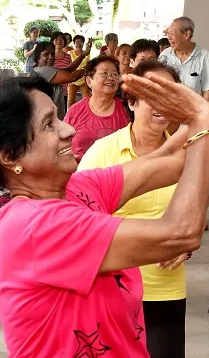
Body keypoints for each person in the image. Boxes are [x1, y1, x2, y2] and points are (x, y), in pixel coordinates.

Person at [0, 6, 209, 357]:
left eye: (58, 119)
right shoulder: (32, 225)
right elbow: (181, 231)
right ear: (10, 157)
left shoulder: (77, 188)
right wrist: (198, 118)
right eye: (48, 125)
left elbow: (173, 158)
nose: (69, 130)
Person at [79, 60, 190, 358]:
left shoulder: (185, 156)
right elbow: (80, 223)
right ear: (132, 101)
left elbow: (193, 216)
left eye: (169, 95)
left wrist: (186, 246)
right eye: (152, 95)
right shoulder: (102, 152)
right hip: (111, 288)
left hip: (165, 286)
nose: (161, 105)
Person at [64, 55, 130, 161]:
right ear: (89, 81)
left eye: (114, 74)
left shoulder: (127, 111)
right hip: (79, 173)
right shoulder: (74, 111)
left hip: (116, 174)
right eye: (104, 73)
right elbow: (63, 145)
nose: (110, 77)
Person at [159, 16, 209, 100]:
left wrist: (204, 112)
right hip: (168, 108)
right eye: (168, 33)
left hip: (192, 109)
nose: (169, 37)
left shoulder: (204, 55)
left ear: (186, 35)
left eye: (172, 33)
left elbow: (207, 91)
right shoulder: (165, 55)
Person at [31, 41, 88, 120]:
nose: (51, 57)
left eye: (52, 54)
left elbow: (68, 69)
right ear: (37, 58)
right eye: (46, 54)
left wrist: (82, 55)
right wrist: (90, 66)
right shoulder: (43, 71)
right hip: (50, 119)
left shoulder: (41, 69)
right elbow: (73, 77)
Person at [67, 35, 92, 107]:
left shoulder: (87, 53)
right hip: (72, 80)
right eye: (77, 42)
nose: (78, 44)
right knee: (71, 101)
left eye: (80, 42)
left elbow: (88, 64)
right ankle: (71, 116)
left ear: (83, 43)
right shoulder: (70, 53)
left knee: (87, 100)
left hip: (83, 80)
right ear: (74, 43)